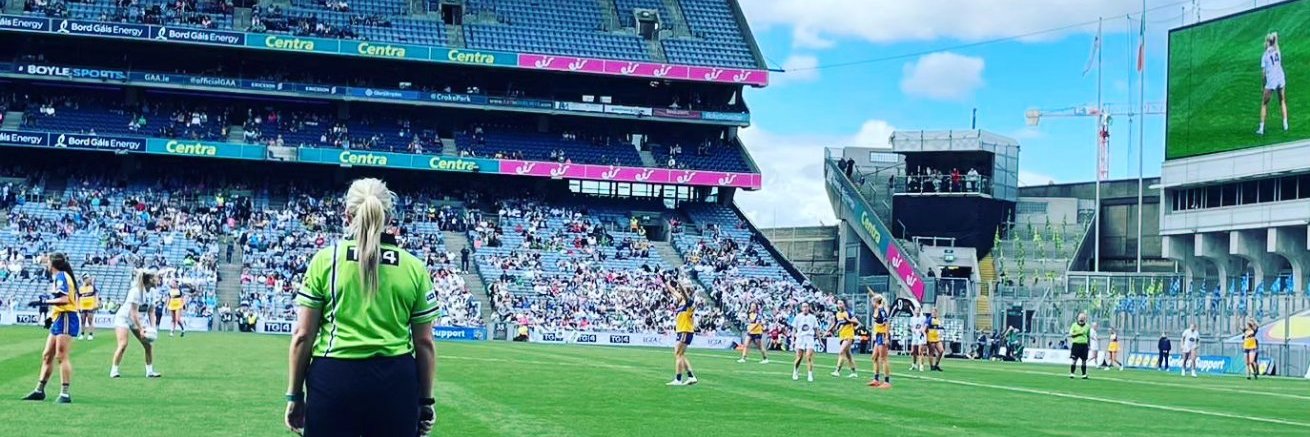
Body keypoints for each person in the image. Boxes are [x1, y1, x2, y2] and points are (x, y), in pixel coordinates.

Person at [284, 179, 439, 436]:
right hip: (395, 382)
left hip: (333, 379)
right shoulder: (414, 268)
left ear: (347, 215)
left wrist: (294, 396)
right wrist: (426, 401)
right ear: (389, 217)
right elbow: (424, 342)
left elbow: (302, 336)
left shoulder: (326, 261)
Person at [22, 253, 81, 403]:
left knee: (61, 355)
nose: (46, 264)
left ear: (52, 264)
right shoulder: (61, 276)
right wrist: (50, 316)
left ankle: (65, 393)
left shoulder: (61, 276)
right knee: (47, 354)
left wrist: (44, 301)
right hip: (60, 317)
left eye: (48, 261)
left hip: (66, 316)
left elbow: (64, 299)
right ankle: (39, 390)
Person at [111, 269, 162, 378]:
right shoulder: (136, 291)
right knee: (123, 344)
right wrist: (141, 329)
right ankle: (114, 370)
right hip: (124, 318)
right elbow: (133, 313)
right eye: (156, 278)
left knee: (148, 345)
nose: (158, 280)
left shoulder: (152, 292)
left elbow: (151, 311)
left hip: (138, 319)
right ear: (150, 280)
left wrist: (153, 327)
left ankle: (150, 371)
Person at [664, 275, 698, 386]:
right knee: (680, 354)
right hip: (682, 330)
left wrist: (679, 281)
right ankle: (691, 377)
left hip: (685, 331)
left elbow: (683, 292)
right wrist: (665, 280)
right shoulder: (680, 301)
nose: (679, 290)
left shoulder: (689, 302)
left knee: (678, 354)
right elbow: (672, 290)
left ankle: (678, 379)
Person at [1258, 32, 1288, 136]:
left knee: (1264, 104)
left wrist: (1263, 86)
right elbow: (1275, 35)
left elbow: (1263, 74)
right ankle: (1285, 124)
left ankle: (1261, 128)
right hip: (1280, 77)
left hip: (1271, 80)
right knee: (1282, 101)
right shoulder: (1277, 50)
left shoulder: (1265, 55)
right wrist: (1272, 37)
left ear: (1267, 42)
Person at [826, 299, 859, 378]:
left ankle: (837, 371)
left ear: (844, 304)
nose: (839, 305)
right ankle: (854, 372)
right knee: (848, 355)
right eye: (838, 303)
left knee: (841, 352)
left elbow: (857, 322)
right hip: (842, 335)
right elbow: (835, 323)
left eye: (841, 303)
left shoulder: (848, 312)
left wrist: (849, 320)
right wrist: (828, 330)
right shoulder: (837, 314)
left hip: (849, 335)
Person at [868, 292, 892, 389]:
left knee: (883, 358)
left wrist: (886, 337)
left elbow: (886, 324)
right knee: (874, 357)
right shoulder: (877, 309)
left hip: (882, 335)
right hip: (878, 335)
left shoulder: (882, 311)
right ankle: (876, 379)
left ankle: (886, 381)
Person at [791, 302, 819, 382]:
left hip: (809, 337)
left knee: (809, 356)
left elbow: (816, 329)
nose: (805, 308)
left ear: (809, 307)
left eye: (806, 306)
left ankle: (810, 374)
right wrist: (793, 340)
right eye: (803, 307)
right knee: (799, 357)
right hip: (800, 337)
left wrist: (819, 340)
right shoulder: (798, 317)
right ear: (801, 308)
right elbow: (794, 329)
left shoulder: (813, 317)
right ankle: (795, 371)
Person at [1068, 312, 1091, 379]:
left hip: (1084, 345)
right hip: (1076, 345)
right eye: (1080, 318)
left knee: (1084, 360)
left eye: (1083, 318)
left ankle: (1084, 374)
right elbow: (1071, 334)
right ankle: (1072, 373)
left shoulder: (1087, 326)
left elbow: (1088, 336)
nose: (1081, 319)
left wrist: (1088, 345)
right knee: (1074, 360)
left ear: (1085, 319)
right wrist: (1079, 333)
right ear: (1078, 318)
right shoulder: (1074, 325)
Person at [77, 274, 99, 341]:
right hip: (82, 306)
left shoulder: (92, 287)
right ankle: (82, 334)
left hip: (90, 306)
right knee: (82, 321)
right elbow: (78, 297)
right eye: (87, 279)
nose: (89, 280)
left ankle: (90, 334)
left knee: (90, 320)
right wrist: (78, 306)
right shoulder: (80, 288)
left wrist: (96, 304)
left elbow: (96, 295)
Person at [926, 307, 945, 371]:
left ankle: (936, 364)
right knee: (931, 352)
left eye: (935, 312)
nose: (934, 313)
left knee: (941, 351)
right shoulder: (929, 319)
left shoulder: (938, 320)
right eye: (933, 312)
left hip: (937, 338)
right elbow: (925, 328)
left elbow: (939, 328)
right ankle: (932, 366)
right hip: (931, 338)